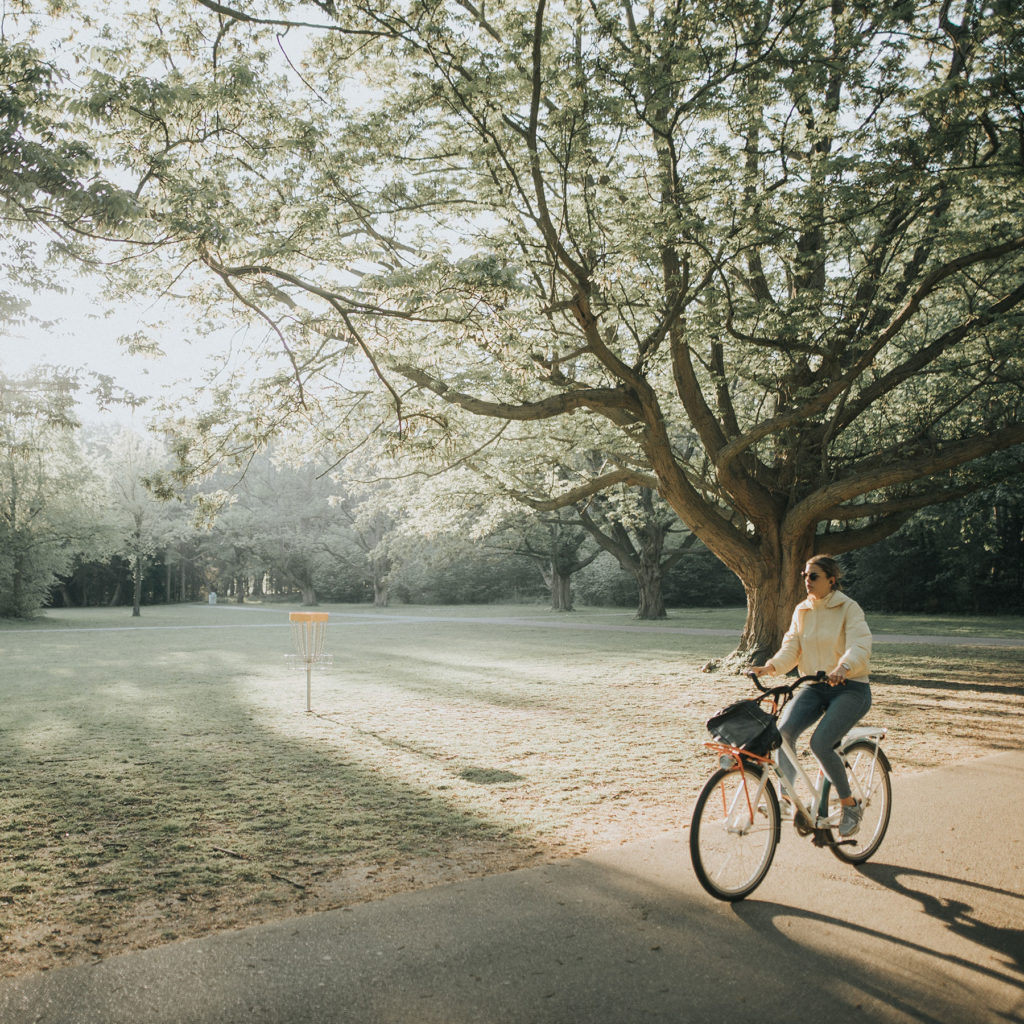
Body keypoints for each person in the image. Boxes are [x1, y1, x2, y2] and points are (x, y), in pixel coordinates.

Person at [750, 555, 872, 837]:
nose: (807, 580)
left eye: (813, 576)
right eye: (805, 575)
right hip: (814, 686)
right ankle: (785, 801)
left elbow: (860, 644)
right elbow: (791, 647)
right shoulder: (802, 610)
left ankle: (849, 804)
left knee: (821, 743)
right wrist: (771, 667)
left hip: (850, 688)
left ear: (831, 579)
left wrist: (844, 666)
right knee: (783, 733)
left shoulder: (848, 608)